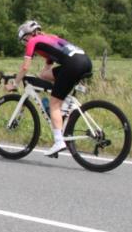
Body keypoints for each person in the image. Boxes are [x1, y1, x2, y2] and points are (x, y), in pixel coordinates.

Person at [6, 20, 92, 156]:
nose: (24, 43)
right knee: (46, 77)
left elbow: (25, 67)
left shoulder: (33, 42)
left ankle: (58, 142)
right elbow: (45, 73)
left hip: (73, 65)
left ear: (28, 35)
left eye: (23, 40)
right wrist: (37, 85)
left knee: (54, 104)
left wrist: (15, 83)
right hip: (85, 61)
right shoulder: (50, 39)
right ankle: (62, 117)